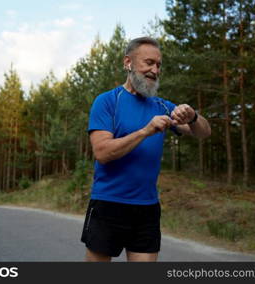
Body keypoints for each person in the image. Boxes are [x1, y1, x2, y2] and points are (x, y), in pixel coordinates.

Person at [80, 37, 211, 262]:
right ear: (128, 63)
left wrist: (193, 117)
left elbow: (204, 132)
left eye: (158, 65)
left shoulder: (162, 106)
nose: (155, 70)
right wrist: (145, 131)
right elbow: (102, 153)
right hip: (109, 203)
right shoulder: (107, 101)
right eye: (148, 63)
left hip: (147, 207)